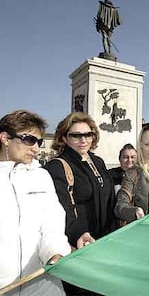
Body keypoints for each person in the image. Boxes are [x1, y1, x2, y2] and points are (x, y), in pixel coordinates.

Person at [44, 112, 116, 295]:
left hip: (103, 242)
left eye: (88, 134)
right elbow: (61, 209)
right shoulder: (57, 166)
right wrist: (78, 233)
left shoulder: (97, 162)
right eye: (76, 135)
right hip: (79, 245)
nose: (83, 139)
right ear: (64, 138)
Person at [0, 110, 71, 296]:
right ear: (5, 138)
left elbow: (52, 224)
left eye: (38, 142)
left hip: (43, 284)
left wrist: (55, 253)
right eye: (29, 140)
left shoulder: (41, 176)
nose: (36, 148)